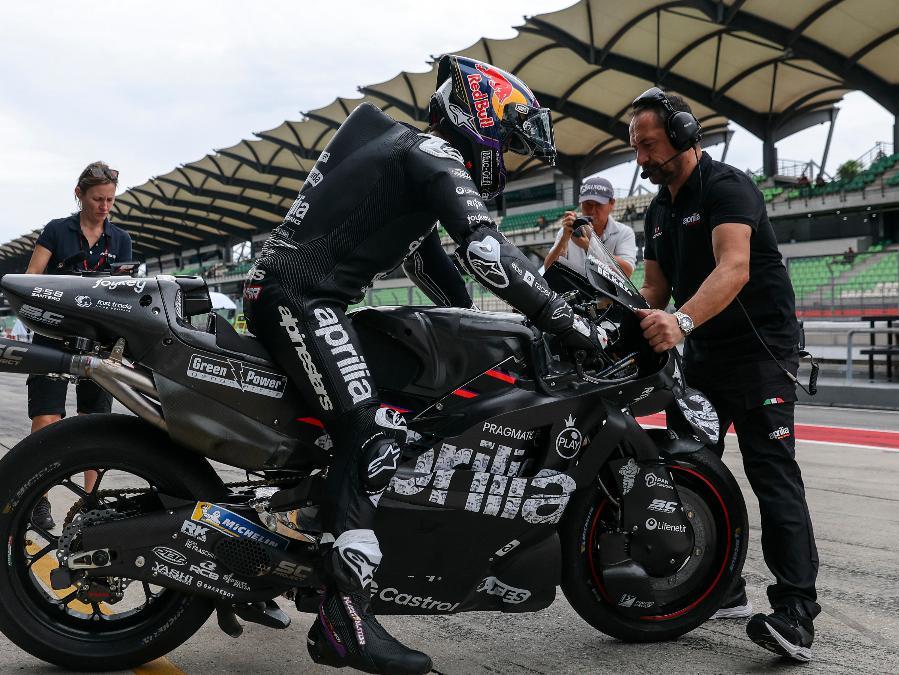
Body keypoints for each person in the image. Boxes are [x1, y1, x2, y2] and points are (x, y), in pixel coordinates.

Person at [244, 55, 606, 674]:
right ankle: (345, 622)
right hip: (299, 302)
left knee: (395, 403)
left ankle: (292, 537)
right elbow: (487, 250)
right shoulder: (433, 155)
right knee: (372, 430)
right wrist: (568, 322)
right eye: (508, 141)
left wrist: (477, 317)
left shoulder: (407, 155)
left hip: (294, 298)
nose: (507, 157)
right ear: (480, 118)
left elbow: (423, 257)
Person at [629, 87, 819, 662]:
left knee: (771, 475)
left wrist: (680, 322)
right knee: (685, 470)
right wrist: (621, 317)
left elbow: (733, 266)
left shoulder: (728, 186)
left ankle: (795, 612)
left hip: (762, 356)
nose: (640, 158)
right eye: (635, 147)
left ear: (684, 135)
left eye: (649, 144)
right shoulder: (660, 208)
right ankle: (720, 588)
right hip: (703, 357)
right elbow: (655, 290)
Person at [23, 161, 132, 530]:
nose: (105, 206)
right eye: (98, 198)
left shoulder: (121, 240)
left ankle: (92, 501)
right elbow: (31, 279)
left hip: (99, 341)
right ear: (79, 195)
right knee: (46, 418)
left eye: (110, 200)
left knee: (95, 423)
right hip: (53, 335)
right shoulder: (56, 231)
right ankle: (37, 498)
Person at [542, 177, 636, 277]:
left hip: (607, 292)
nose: (592, 210)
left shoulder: (624, 232)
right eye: (587, 204)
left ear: (612, 204)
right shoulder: (568, 230)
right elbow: (548, 269)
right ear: (581, 203)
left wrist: (590, 245)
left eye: (599, 204)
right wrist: (563, 241)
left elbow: (627, 273)